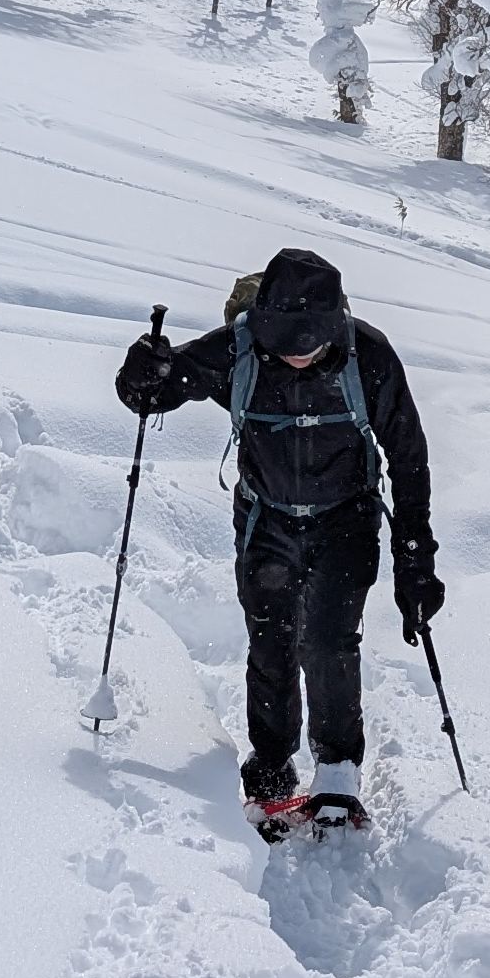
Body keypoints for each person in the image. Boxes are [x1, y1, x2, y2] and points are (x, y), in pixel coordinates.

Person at [117, 249, 439, 840]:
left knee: (329, 639)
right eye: (284, 339)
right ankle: (270, 774)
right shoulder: (239, 350)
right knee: (271, 640)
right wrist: (143, 372)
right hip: (266, 519)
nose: (295, 351)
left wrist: (416, 559)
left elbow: (410, 459)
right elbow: (156, 392)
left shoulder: (368, 357)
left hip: (347, 518)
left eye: (309, 341)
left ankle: (338, 771)